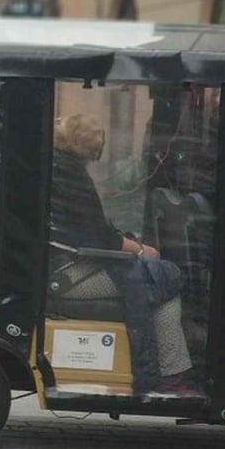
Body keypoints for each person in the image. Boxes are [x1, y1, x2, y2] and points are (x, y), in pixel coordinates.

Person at [49, 114, 194, 395]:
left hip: (63, 263)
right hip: (69, 273)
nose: (94, 159)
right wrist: (140, 249)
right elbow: (99, 237)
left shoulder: (57, 166)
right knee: (164, 280)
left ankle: (169, 371)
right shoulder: (71, 176)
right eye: (94, 153)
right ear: (88, 150)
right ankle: (170, 376)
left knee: (157, 283)